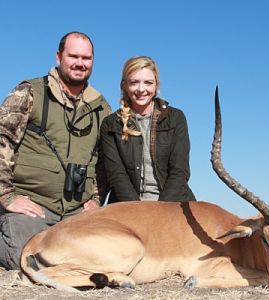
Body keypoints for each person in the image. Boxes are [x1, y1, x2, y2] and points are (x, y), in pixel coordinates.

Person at [0, 31, 111, 270]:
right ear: (59, 56)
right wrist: (6, 196)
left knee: (98, 259)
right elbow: (3, 139)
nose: (80, 63)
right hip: (33, 205)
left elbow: (106, 160)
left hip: (77, 212)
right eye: (73, 56)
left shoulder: (102, 107)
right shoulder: (29, 92)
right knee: (27, 258)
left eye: (86, 58)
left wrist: (96, 199)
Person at [101, 56, 195, 203]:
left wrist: (160, 210)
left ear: (156, 85)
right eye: (134, 82)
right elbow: (116, 175)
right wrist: (140, 212)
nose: (141, 89)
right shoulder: (111, 124)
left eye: (148, 83)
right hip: (128, 206)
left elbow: (180, 171)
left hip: (172, 203)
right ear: (124, 85)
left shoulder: (176, 118)